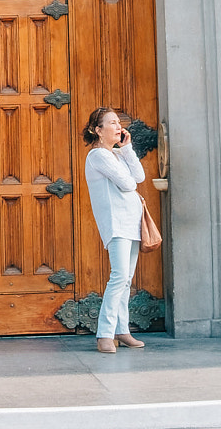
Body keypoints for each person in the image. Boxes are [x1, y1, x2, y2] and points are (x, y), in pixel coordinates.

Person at [84, 105, 146, 354]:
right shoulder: (97, 156)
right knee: (119, 277)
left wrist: (127, 149)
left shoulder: (117, 155)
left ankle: (122, 330)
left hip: (132, 222)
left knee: (126, 280)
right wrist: (127, 170)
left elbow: (139, 176)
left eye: (119, 122)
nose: (118, 126)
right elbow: (128, 183)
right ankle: (105, 334)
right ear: (97, 130)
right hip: (116, 224)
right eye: (111, 123)